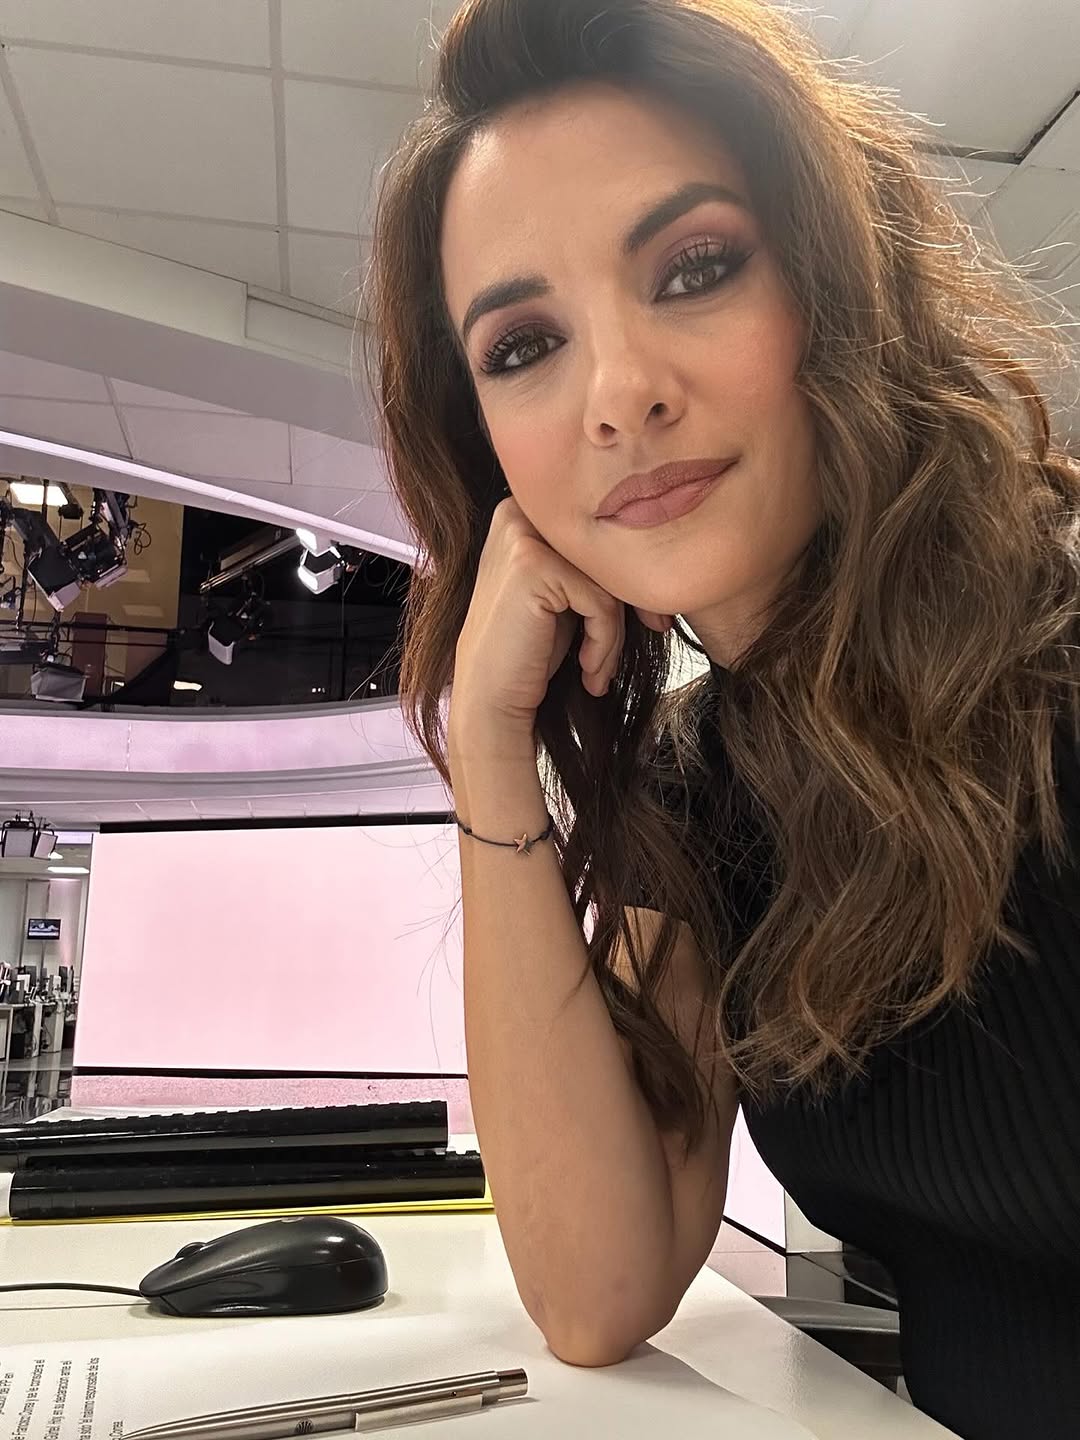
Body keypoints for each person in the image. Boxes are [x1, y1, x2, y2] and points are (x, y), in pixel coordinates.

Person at [361, 2, 1080, 1437]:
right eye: (524, 345)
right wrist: (490, 750)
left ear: (835, 286)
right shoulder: (698, 791)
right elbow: (597, 1289)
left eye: (695, 269)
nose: (620, 396)